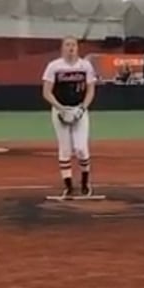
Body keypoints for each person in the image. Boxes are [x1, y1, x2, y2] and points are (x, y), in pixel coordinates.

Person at [40, 38, 98, 197]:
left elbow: (91, 90)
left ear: (78, 48)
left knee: (81, 148)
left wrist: (82, 108)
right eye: (67, 45)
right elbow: (46, 92)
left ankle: (85, 182)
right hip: (60, 110)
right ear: (62, 48)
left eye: (73, 45)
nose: (71, 48)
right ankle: (68, 186)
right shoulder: (54, 66)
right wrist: (60, 108)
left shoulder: (85, 66)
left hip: (79, 110)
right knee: (65, 149)